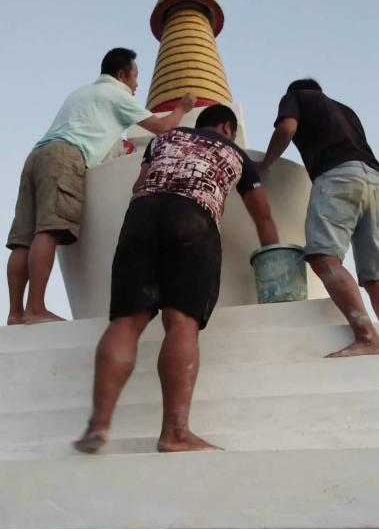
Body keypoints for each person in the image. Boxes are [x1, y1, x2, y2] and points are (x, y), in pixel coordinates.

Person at [74, 103, 279, 454]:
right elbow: (262, 214)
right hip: (194, 218)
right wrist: (275, 257)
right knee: (181, 321)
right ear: (227, 127)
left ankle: (98, 425)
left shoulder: (164, 138)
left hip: (142, 215)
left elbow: (139, 184)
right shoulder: (236, 153)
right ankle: (175, 433)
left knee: (126, 322)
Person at [6, 47, 195, 325]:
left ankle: (15, 313)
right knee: (49, 229)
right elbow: (163, 127)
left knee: (23, 238)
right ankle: (35, 308)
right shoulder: (117, 94)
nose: (137, 84)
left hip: (38, 155)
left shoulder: (82, 93)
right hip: (66, 157)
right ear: (121, 75)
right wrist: (183, 108)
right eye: (135, 76)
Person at [257, 78, 379, 358]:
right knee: (374, 275)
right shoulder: (346, 110)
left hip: (338, 176)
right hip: (374, 178)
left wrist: (265, 163)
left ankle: (367, 337)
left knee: (323, 255)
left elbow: (287, 128)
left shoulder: (298, 97)